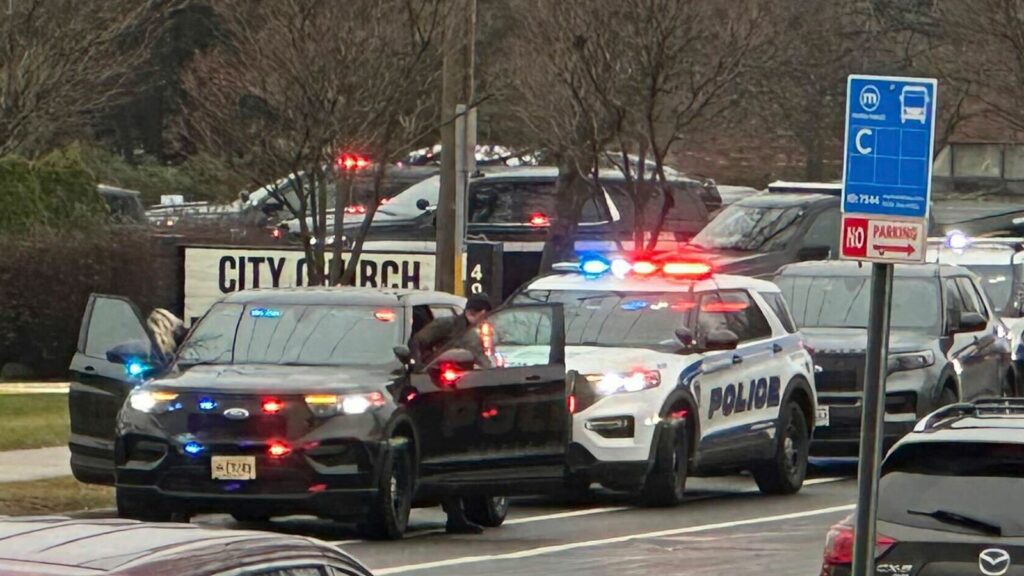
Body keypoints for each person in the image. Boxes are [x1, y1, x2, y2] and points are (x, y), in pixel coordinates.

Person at [409, 292, 494, 534]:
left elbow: (482, 360)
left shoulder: (481, 333)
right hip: (442, 395)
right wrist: (422, 370)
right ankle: (455, 515)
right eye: (485, 314)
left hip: (468, 396)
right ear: (476, 312)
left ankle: (460, 515)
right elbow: (417, 342)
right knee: (448, 451)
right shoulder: (447, 326)